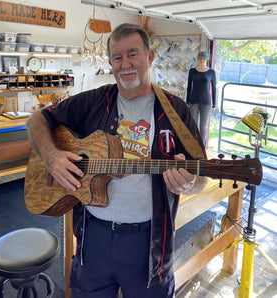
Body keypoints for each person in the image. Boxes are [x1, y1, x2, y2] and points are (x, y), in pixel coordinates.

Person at [26, 23, 207, 298]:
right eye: (118, 57)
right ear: (110, 62)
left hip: (148, 244)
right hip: (92, 239)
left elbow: (202, 177)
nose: (126, 64)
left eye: (133, 54)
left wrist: (189, 184)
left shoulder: (175, 111)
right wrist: (51, 157)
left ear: (149, 57)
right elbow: (36, 119)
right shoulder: (95, 101)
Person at [186, 51, 217, 144]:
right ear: (197, 59)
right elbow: (189, 87)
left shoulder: (211, 72)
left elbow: (214, 88)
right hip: (193, 101)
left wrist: (214, 104)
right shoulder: (192, 71)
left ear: (207, 58)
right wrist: (187, 101)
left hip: (206, 102)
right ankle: (192, 145)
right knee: (193, 125)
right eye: (200, 58)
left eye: (204, 58)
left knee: (203, 127)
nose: (202, 60)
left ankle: (201, 147)